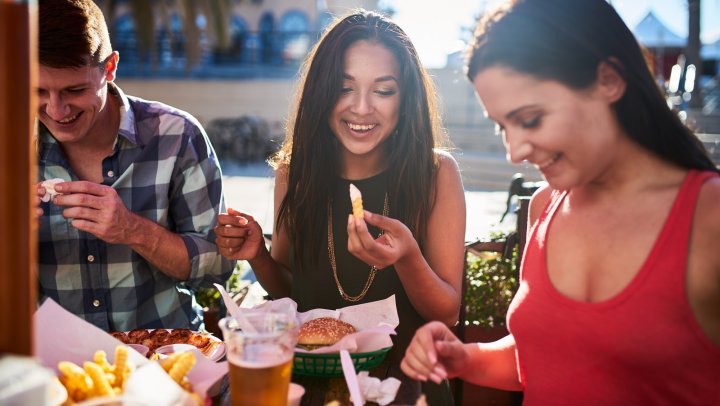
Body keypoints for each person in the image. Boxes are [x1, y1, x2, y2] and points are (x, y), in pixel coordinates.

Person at [401, 0, 720, 404]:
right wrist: (463, 357)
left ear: (608, 80)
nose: (514, 151)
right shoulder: (543, 207)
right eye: (503, 126)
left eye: (530, 119)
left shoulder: (709, 218)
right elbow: (541, 357)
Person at [215, 10, 466, 405]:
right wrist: (258, 255)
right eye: (344, 87)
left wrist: (407, 258)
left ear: (407, 99)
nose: (362, 108)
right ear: (321, 92)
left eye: (384, 91)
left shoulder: (437, 173)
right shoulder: (293, 171)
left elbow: (446, 314)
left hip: (406, 386)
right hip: (309, 385)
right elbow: (290, 291)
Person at [35, 0, 234, 332]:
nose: (56, 110)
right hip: (53, 368)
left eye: (75, 90)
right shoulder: (10, 149)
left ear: (110, 67)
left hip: (167, 358)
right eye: (39, 90)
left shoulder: (176, 136)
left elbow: (217, 266)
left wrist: (133, 229)